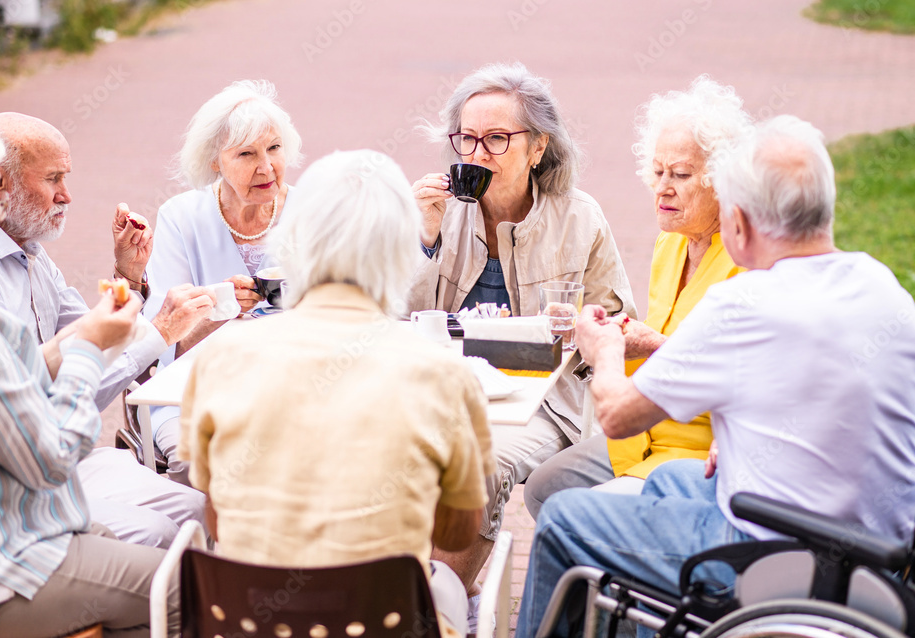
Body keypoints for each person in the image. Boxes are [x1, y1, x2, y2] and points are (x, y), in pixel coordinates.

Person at [515, 115, 915, 637]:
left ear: (738, 223)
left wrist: (603, 349)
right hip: (882, 554)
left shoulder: (742, 303)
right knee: (673, 479)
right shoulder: (885, 288)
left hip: (776, 556)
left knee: (563, 518)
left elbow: (616, 415)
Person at [179, 150, 495, 637]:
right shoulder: (443, 374)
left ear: (296, 243)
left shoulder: (222, 356)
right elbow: (455, 534)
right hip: (383, 619)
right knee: (451, 587)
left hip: (249, 621)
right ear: (398, 251)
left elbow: (216, 512)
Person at [408, 61, 635, 624]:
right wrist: (423, 237)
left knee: (479, 463)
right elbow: (398, 317)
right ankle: (411, 594)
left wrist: (582, 325)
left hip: (543, 399)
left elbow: (619, 319)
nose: (477, 153)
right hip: (443, 388)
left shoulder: (579, 217)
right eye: (466, 138)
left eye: (496, 139)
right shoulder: (438, 212)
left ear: (537, 147)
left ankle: (434, 614)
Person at [0, 111, 180, 638]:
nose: (68, 195)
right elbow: (48, 460)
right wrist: (87, 349)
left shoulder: (28, 260)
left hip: (17, 512)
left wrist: (125, 283)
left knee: (177, 522)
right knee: (183, 584)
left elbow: (40, 361)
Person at [524, 76, 749, 518]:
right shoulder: (673, 243)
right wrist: (613, 331)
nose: (662, 187)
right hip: (641, 434)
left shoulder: (745, 259)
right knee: (542, 488)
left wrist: (641, 344)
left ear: (722, 181)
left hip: (695, 449)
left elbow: (736, 377)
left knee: (567, 514)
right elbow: (660, 339)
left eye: (681, 175)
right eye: (658, 171)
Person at [144, 79, 303, 485]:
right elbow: (163, 339)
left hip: (295, 387)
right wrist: (221, 308)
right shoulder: (182, 217)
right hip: (195, 392)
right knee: (205, 465)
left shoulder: (310, 211)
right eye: (246, 154)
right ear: (215, 160)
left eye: (274, 148)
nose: (266, 167)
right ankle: (205, 548)